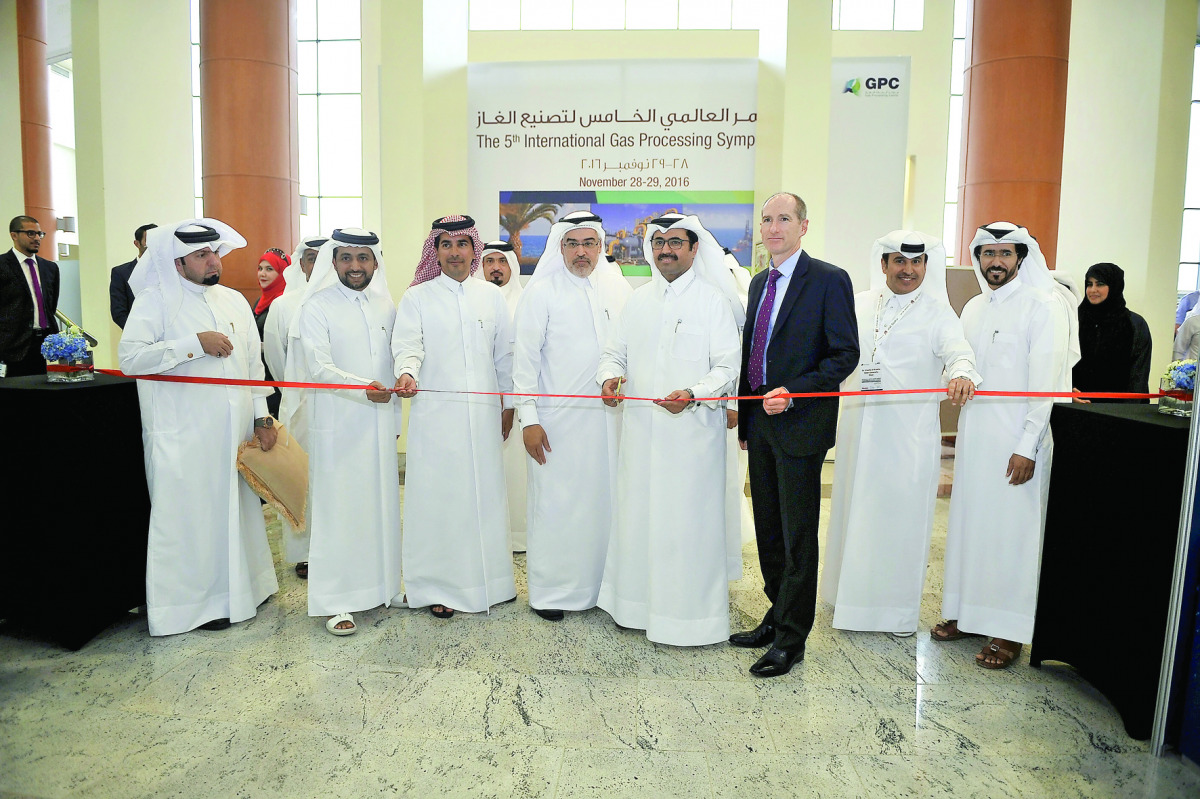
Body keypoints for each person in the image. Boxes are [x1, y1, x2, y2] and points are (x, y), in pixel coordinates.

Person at [118, 218, 279, 635]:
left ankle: (245, 591)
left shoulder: (232, 300)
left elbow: (252, 364)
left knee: (236, 513)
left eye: (214, 253)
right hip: (184, 435)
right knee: (192, 520)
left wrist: (262, 415)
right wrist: (194, 345)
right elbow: (131, 359)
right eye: (201, 255)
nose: (213, 261)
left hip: (235, 431)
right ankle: (194, 607)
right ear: (177, 263)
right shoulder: (154, 301)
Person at [822, 231, 980, 636]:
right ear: (884, 265)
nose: (908, 271)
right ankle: (847, 600)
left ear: (926, 266)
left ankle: (893, 612)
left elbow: (957, 351)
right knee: (854, 513)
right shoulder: (858, 303)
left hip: (905, 438)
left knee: (898, 521)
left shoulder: (938, 312)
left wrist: (962, 373)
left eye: (917, 263)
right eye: (899, 262)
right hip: (859, 429)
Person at [596, 213, 741, 647]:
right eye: (659, 243)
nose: (666, 250)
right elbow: (613, 354)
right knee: (640, 518)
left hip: (693, 439)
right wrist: (608, 378)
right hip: (641, 438)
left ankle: (689, 619)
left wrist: (694, 393)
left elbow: (727, 367)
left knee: (687, 525)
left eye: (676, 243)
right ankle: (635, 607)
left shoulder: (713, 301)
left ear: (694, 249)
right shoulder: (637, 302)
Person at [731, 192, 858, 678]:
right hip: (761, 422)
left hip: (801, 423)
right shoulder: (759, 282)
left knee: (798, 532)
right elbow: (752, 353)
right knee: (768, 529)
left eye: (784, 218)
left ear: (804, 226)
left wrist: (795, 391)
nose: (774, 226)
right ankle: (775, 612)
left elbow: (843, 355)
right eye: (767, 219)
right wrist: (745, 419)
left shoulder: (828, 279)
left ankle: (792, 639)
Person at [935, 221, 1071, 670]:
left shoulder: (1043, 306)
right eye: (988, 254)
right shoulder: (973, 307)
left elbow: (1047, 384)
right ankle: (968, 614)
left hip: (1018, 442)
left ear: (1020, 257)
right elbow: (960, 363)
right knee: (972, 529)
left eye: (1005, 254)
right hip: (976, 441)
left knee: (1012, 537)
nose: (995, 262)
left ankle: (1009, 631)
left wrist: (1028, 445)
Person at [392, 215, 517, 618]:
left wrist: (508, 404)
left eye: (462, 244)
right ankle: (437, 587)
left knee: (483, 498)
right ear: (436, 251)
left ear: (473, 249)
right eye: (446, 245)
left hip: (482, 417)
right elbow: (408, 344)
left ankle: (491, 584)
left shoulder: (491, 297)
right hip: (437, 422)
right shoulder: (418, 297)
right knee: (440, 502)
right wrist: (407, 372)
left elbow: (504, 357)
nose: (455, 253)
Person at [512, 212, 632, 621]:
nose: (581, 252)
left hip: (608, 423)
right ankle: (551, 593)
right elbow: (523, 364)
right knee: (557, 506)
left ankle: (601, 588)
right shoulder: (541, 292)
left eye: (589, 244)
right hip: (555, 425)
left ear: (601, 246)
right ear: (560, 247)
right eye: (572, 244)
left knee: (604, 505)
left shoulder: (618, 290)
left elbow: (627, 351)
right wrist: (528, 418)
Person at [293, 228, 404, 636]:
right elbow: (319, 368)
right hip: (339, 426)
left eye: (363, 258)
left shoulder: (385, 305)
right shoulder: (317, 307)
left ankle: (384, 588)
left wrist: (392, 419)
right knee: (339, 512)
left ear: (375, 262)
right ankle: (336, 600)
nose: (355, 266)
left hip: (378, 424)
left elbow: (392, 365)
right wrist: (364, 392)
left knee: (380, 508)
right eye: (346, 258)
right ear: (333, 262)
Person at [264, 235, 327, 579]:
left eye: (323, 257)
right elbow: (276, 360)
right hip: (298, 406)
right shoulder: (284, 306)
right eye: (309, 258)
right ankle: (303, 553)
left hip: (340, 409)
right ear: (300, 265)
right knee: (299, 480)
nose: (315, 265)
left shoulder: (344, 301)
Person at [478, 239, 528, 552]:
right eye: (489, 261)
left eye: (502, 261)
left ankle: (519, 537)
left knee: (517, 471)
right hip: (481, 402)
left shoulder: (527, 301)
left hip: (520, 404)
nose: (496, 268)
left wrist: (510, 401)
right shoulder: (474, 302)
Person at [1072, 262, 1152, 403]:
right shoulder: (1074, 319)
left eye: (1100, 284)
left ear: (1115, 286)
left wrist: (1129, 416)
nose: (1093, 290)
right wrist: (1066, 391)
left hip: (1116, 413)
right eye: (1089, 284)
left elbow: (1138, 376)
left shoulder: (1134, 324)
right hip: (1075, 408)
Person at [1, 215, 59, 377]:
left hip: (46, 345)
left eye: (40, 234)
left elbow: (51, 306)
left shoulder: (50, 268)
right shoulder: (2, 265)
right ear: (14, 235)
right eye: (30, 234)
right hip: (12, 347)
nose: (37, 238)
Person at [253, 248, 289, 418]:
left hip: (279, 378)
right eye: (260, 268)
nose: (262, 274)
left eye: (269, 269)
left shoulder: (285, 303)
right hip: (261, 374)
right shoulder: (259, 301)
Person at [110, 223, 157, 328]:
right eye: (148, 241)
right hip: (137, 336)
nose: (153, 245)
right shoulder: (121, 272)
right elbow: (118, 313)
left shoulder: (173, 269)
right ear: (137, 244)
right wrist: (138, 332)